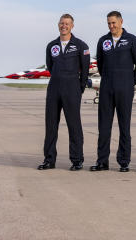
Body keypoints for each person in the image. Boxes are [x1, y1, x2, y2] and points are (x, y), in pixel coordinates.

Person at [91, 10, 136, 172]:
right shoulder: (103, 41)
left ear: (121, 22)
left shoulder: (133, 40)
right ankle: (102, 161)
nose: (111, 26)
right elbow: (100, 63)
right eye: (109, 23)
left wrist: (131, 81)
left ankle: (124, 161)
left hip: (125, 88)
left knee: (124, 126)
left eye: (113, 22)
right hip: (107, 87)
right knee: (104, 126)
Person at [39, 14, 91, 171]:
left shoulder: (81, 45)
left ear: (72, 26)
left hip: (72, 89)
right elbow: (50, 66)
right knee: (51, 126)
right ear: (58, 25)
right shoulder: (51, 46)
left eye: (67, 23)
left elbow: (85, 69)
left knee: (74, 126)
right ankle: (49, 160)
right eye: (62, 23)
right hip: (54, 88)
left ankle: (77, 160)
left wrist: (79, 88)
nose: (64, 26)